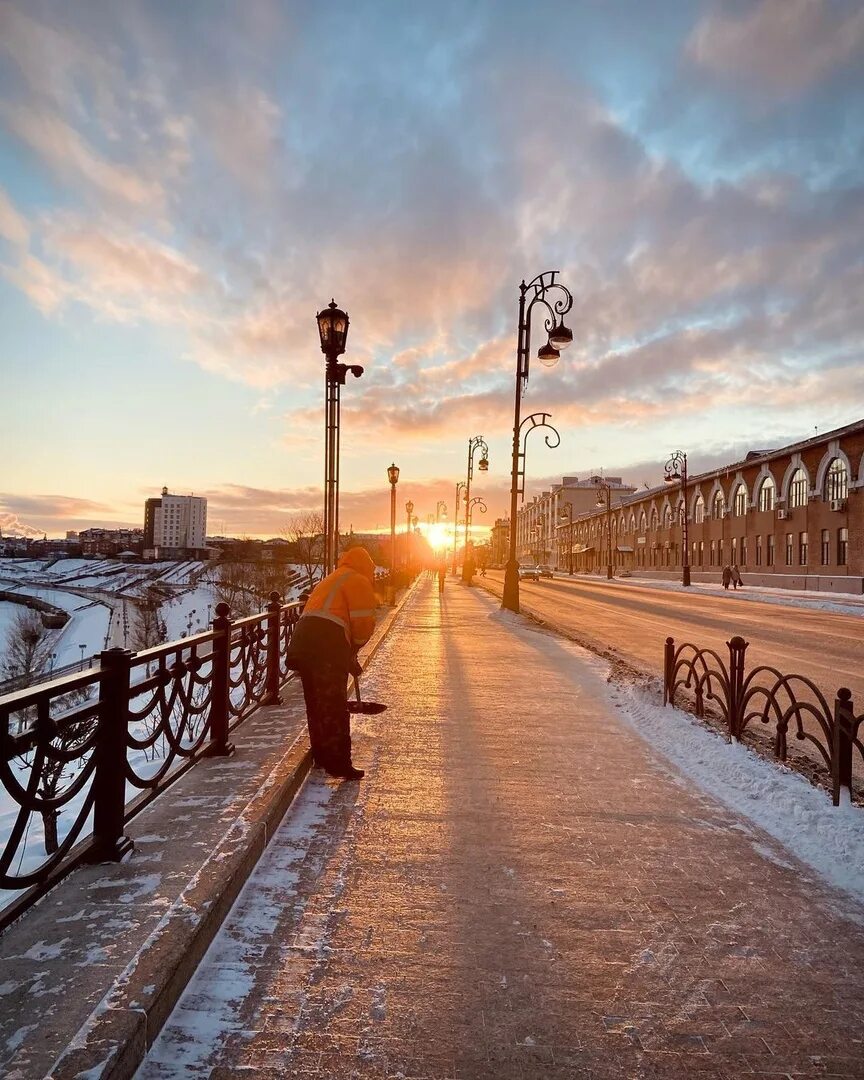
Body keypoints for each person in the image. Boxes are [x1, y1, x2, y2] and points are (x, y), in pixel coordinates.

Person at [285, 547, 377, 780]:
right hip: (327, 643)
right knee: (334, 704)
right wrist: (353, 650)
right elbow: (363, 623)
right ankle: (339, 764)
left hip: (303, 641)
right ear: (366, 566)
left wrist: (347, 656)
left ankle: (321, 755)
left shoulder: (333, 578)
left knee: (315, 702)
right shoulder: (358, 580)